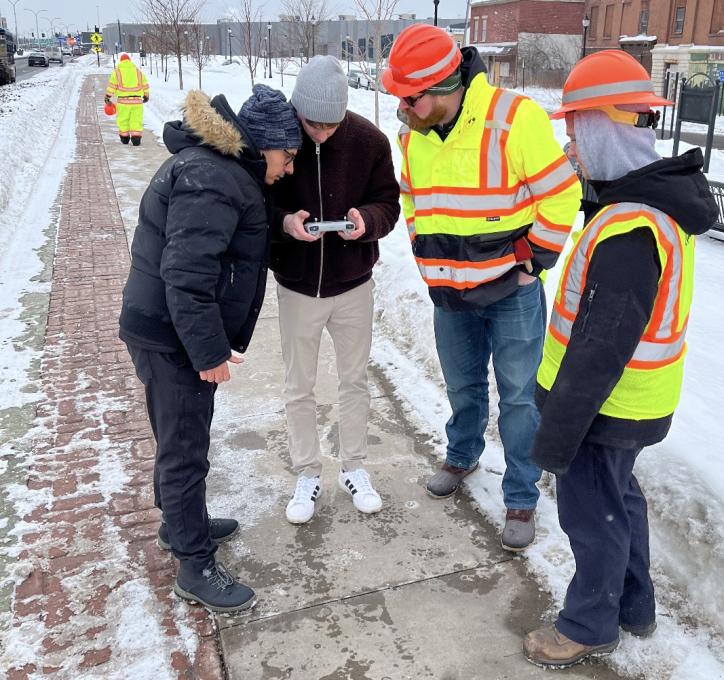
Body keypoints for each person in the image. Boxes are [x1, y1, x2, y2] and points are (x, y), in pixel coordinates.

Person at [522, 50, 719, 668]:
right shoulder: (646, 206)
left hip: (604, 407)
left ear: (605, 128)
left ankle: (588, 624)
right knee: (618, 502)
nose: (571, 148)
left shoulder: (632, 229)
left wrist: (558, 433)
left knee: (592, 515)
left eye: (576, 131)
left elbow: (599, 348)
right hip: (630, 404)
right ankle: (634, 606)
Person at [381, 25, 581, 551]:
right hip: (449, 294)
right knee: (462, 386)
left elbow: (561, 194)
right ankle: (462, 455)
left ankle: (521, 494)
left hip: (510, 291)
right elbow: (411, 197)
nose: (402, 107)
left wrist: (533, 262)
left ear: (443, 87)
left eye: (409, 97)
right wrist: (423, 248)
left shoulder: (513, 118)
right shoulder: (413, 133)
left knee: (518, 397)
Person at [119, 85, 302, 612]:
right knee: (185, 450)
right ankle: (194, 565)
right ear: (263, 145)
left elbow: (232, 238)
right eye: (288, 156)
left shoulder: (222, 171)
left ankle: (181, 525)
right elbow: (187, 274)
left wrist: (282, 225)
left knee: (176, 437)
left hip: (164, 328)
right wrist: (208, 353)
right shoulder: (214, 177)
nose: (289, 168)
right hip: (172, 336)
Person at [269, 55, 400, 525]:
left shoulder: (370, 141)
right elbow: (257, 203)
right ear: (298, 112)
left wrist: (367, 222)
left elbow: (389, 203)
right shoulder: (278, 141)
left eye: (331, 124)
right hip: (298, 286)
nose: (322, 134)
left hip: (352, 285)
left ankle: (354, 467)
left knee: (354, 380)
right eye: (313, 125)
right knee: (298, 386)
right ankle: (307, 472)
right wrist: (286, 223)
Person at [105, 53, 149, 146]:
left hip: (123, 102)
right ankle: (136, 138)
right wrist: (146, 95)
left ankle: (124, 138)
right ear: (129, 61)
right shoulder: (138, 71)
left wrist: (108, 96)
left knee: (123, 119)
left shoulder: (117, 72)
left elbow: (112, 86)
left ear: (121, 61)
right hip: (137, 102)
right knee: (136, 119)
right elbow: (145, 84)